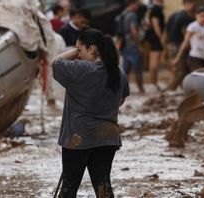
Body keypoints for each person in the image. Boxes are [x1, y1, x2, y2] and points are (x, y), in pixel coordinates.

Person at [51, 28, 129, 197]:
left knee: (69, 188)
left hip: (78, 137)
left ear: (92, 49)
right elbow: (120, 101)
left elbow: (55, 63)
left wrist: (73, 50)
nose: (78, 54)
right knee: (103, 187)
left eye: (80, 50)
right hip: (108, 138)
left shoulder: (80, 69)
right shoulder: (119, 72)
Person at [164, 0, 196, 90]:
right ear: (188, 4)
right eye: (192, 3)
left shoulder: (173, 15)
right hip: (179, 45)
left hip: (171, 44)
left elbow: (166, 32)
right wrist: (189, 46)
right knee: (180, 70)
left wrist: (165, 46)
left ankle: (183, 88)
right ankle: (170, 89)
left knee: (178, 69)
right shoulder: (186, 17)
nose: (194, 5)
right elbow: (185, 34)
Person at [172, 7, 204, 73]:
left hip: (203, 57)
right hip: (194, 57)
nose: (203, 18)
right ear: (196, 15)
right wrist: (178, 57)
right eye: (201, 16)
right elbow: (185, 42)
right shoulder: (192, 26)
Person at [120, 0, 145, 93]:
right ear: (132, 3)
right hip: (132, 44)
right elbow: (134, 30)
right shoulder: (133, 15)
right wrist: (139, 45)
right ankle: (141, 89)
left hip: (125, 44)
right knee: (137, 68)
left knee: (125, 69)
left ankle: (122, 90)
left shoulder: (123, 14)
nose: (138, 6)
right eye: (137, 4)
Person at [145, 0, 165, 91]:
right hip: (155, 37)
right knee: (155, 62)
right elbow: (155, 24)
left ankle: (153, 83)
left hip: (151, 37)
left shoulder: (151, 7)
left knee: (153, 62)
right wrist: (160, 37)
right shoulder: (156, 8)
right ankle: (153, 83)